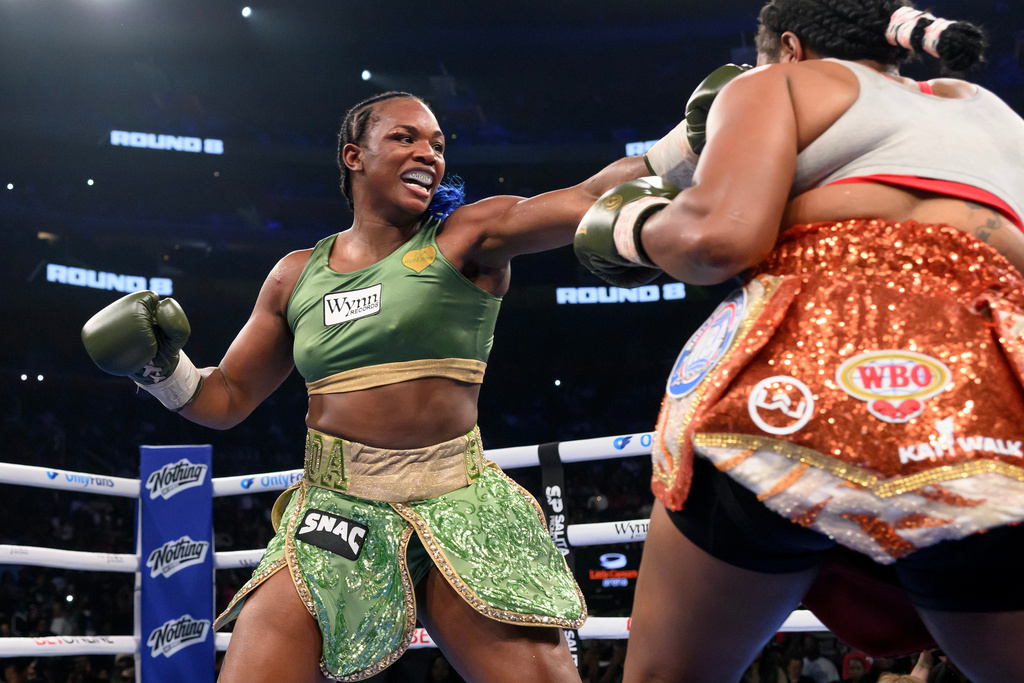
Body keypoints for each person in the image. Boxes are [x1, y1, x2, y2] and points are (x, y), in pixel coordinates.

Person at [81, 90, 649, 682]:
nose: (428, 153)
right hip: (334, 511)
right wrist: (157, 369)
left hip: (458, 499)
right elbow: (223, 398)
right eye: (405, 138)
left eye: (436, 144)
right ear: (354, 155)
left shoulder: (466, 235)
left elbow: (588, 196)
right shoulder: (296, 275)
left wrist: (691, 146)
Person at [572, 2, 1024, 682]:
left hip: (798, 386)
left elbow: (716, 238)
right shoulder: (990, 111)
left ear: (788, 46)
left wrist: (631, 225)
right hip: (987, 405)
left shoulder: (776, 84)